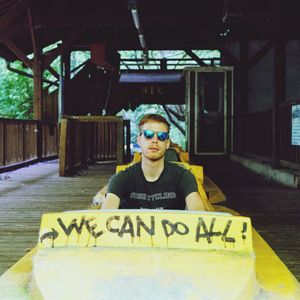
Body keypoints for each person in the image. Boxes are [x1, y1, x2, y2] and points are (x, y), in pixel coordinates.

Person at [101, 114, 206, 210]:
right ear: (139, 140)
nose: (155, 140)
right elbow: (107, 214)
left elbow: (198, 212)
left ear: (167, 143)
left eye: (162, 136)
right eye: (148, 134)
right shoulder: (121, 178)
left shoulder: (184, 176)